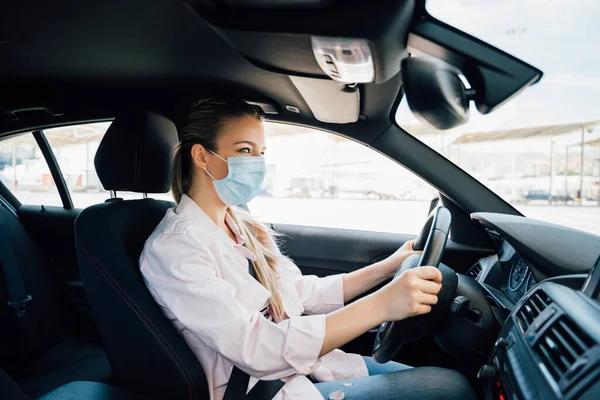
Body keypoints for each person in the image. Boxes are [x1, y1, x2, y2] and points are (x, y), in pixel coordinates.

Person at [139, 98, 477, 400]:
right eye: (244, 150)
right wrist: (382, 306)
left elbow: (299, 292)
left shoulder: (240, 222)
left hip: (304, 370)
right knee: (451, 389)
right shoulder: (175, 248)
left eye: (261, 152)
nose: (257, 163)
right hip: (262, 389)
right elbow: (256, 349)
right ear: (201, 156)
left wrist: (387, 267)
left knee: (446, 384)